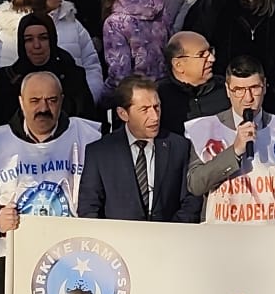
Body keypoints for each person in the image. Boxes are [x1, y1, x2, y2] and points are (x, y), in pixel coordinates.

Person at [0, 71, 101, 294]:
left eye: (51, 100)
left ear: (61, 100)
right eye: (35, 101)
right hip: (15, 253)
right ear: (21, 102)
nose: (44, 108)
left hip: (74, 254)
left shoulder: (87, 137)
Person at [186, 58, 275, 223]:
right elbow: (195, 184)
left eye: (254, 88)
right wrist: (235, 150)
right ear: (228, 90)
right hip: (224, 231)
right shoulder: (208, 129)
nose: (248, 98)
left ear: (264, 86)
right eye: (239, 90)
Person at [78, 76, 201, 222]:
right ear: (123, 114)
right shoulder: (99, 153)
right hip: (118, 235)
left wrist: (172, 231)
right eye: (145, 110)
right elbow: (89, 208)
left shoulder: (179, 147)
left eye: (157, 107)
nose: (155, 117)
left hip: (169, 234)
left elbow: (191, 200)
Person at [0, 0, 105, 105]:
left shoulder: (72, 23)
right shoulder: (11, 29)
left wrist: (85, 100)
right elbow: (0, 77)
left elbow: (91, 65)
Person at [0, 12, 96, 127]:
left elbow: (89, 123)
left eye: (43, 38)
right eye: (29, 39)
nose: (36, 45)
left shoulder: (73, 76)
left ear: (52, 40)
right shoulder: (5, 79)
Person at [101, 0, 170, 85]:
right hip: (165, 83)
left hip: (137, 90)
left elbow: (120, 71)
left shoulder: (115, 22)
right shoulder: (159, 6)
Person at [156, 31, 228, 135]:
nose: (212, 59)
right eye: (201, 54)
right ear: (178, 65)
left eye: (210, 51)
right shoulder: (159, 95)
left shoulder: (225, 87)